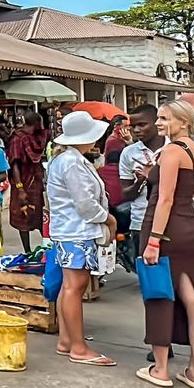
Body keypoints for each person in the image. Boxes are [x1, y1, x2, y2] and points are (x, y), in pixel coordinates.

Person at [136, 99, 194, 388]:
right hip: (190, 227)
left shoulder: (170, 152)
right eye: (159, 117)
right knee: (193, 297)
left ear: (183, 122)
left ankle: (161, 368)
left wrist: (154, 239)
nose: (159, 123)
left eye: (165, 118)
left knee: (158, 295)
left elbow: (165, 198)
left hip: (164, 229)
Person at [45, 110, 118, 366]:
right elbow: (85, 204)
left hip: (69, 231)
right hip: (78, 231)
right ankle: (78, 346)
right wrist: (107, 218)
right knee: (75, 288)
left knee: (70, 287)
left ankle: (68, 340)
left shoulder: (65, 160)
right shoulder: (72, 163)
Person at [118, 105, 166, 274]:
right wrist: (140, 181)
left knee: (173, 273)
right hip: (141, 219)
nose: (136, 130)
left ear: (156, 123)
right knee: (149, 275)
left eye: (142, 125)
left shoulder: (173, 148)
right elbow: (126, 193)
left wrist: (156, 174)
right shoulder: (128, 153)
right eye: (133, 126)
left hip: (170, 218)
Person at [8, 111, 50, 249]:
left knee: (38, 215)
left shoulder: (32, 137)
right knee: (24, 215)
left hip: (33, 181)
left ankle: (43, 247)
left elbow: (14, 164)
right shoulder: (20, 138)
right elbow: (14, 164)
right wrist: (20, 188)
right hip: (26, 181)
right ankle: (28, 251)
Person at [99, 115, 131, 232]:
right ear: (117, 127)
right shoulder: (113, 141)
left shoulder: (118, 140)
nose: (129, 129)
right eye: (125, 126)